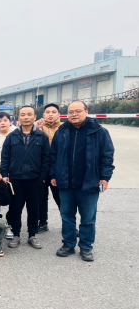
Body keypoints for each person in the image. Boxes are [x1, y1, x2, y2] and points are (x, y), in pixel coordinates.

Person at [51, 101, 115, 262]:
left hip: (89, 183)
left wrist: (105, 177)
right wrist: (53, 174)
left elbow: (107, 156)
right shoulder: (62, 131)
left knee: (88, 218)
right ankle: (68, 244)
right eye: (70, 112)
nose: (74, 114)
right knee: (67, 216)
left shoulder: (99, 131)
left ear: (86, 111)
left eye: (78, 111)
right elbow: (53, 155)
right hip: (65, 182)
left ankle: (86, 247)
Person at [0, 106, 50, 250]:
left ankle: (32, 235)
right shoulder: (11, 136)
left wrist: (43, 177)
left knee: (34, 209)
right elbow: (5, 157)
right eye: (23, 115)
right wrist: (5, 175)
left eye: (29, 114)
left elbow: (47, 158)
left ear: (35, 117)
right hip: (16, 179)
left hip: (35, 179)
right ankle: (16, 234)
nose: (26, 117)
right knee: (15, 209)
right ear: (18, 117)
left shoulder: (42, 136)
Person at [35, 103, 63, 233]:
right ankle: (42, 222)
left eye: (53, 112)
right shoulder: (38, 128)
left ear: (58, 114)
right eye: (47, 112)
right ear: (43, 114)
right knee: (41, 197)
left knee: (61, 198)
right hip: (41, 168)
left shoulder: (64, 129)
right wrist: (36, 128)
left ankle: (68, 223)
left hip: (58, 168)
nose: (50, 114)